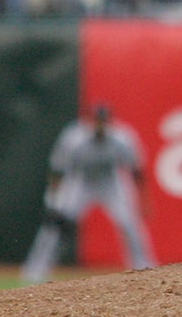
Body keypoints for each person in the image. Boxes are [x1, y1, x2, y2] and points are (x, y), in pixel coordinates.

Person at [21, 104, 156, 284]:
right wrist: (53, 202)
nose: (100, 125)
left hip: (111, 182)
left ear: (109, 122)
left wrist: (143, 200)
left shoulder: (122, 137)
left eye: (103, 121)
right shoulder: (74, 138)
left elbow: (136, 171)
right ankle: (35, 271)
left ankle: (144, 266)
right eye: (97, 121)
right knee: (54, 225)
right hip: (80, 182)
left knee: (129, 223)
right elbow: (58, 171)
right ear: (89, 121)